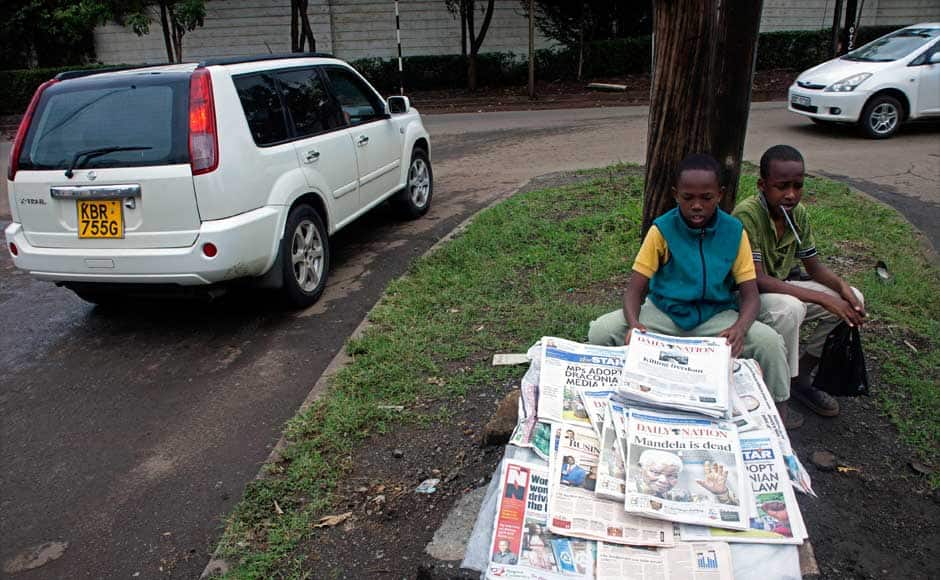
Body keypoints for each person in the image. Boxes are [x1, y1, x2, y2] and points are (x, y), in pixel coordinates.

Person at [587, 153, 795, 426]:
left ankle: (777, 420)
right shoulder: (662, 229)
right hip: (664, 313)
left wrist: (741, 329)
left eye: (706, 198)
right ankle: (604, 407)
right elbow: (634, 290)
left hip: (715, 317)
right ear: (676, 195)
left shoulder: (734, 232)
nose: (697, 205)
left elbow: (750, 295)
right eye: (688, 198)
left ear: (720, 195)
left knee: (769, 343)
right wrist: (635, 324)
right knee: (601, 331)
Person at [733, 145, 865, 419]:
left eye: (798, 185)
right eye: (781, 186)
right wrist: (821, 298)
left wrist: (841, 289)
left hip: (781, 287)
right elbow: (756, 278)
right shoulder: (748, 215)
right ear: (763, 185)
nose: (790, 194)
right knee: (788, 309)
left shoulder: (797, 213)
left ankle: (800, 378)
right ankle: (777, 393)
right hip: (746, 296)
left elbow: (813, 267)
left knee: (853, 299)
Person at [633, 449, 737, 504]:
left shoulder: (681, 496)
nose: (663, 480)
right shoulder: (630, 489)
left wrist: (721, 493)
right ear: (640, 468)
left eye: (671, 476)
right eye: (655, 472)